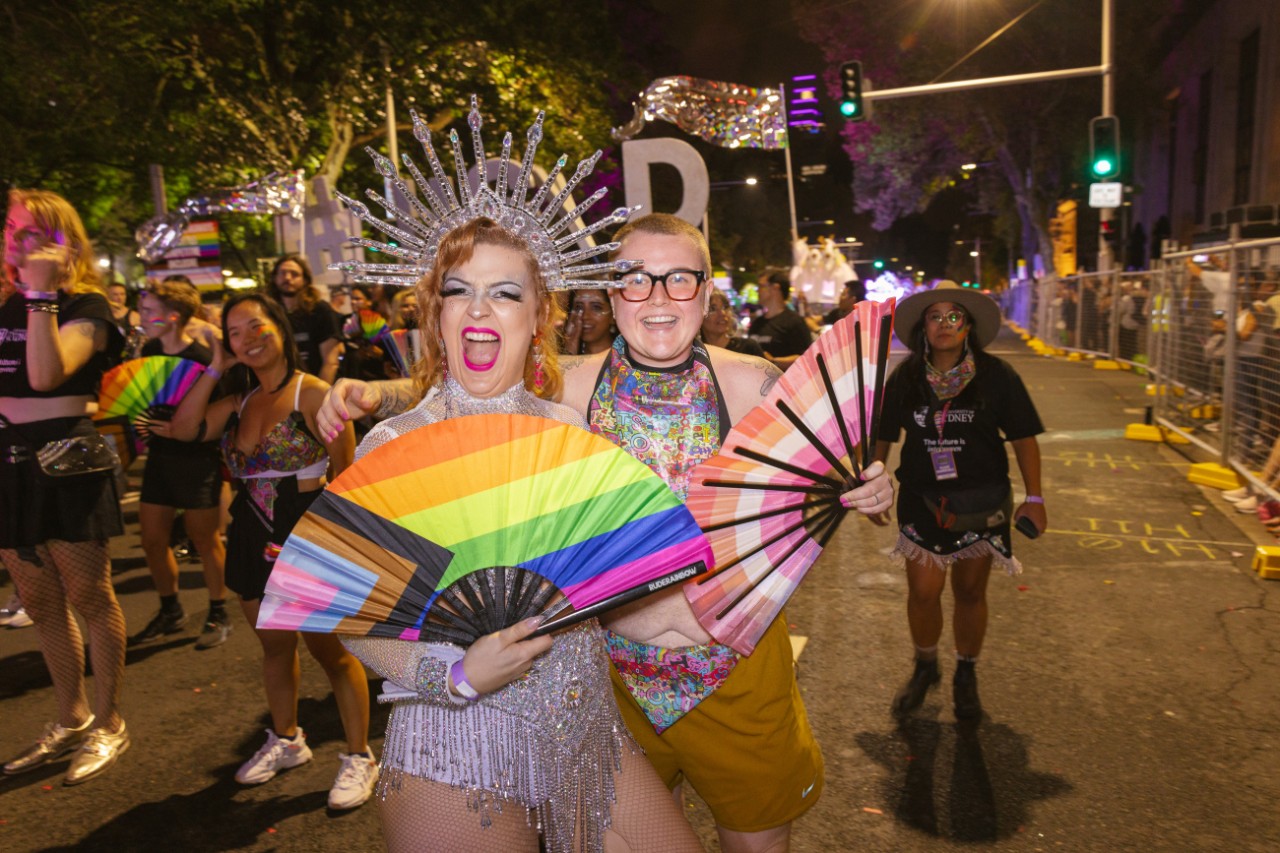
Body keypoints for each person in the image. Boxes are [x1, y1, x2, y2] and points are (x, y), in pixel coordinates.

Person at [316, 212, 895, 852]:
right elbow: (466, 388)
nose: (657, 297)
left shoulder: (713, 389)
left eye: (679, 280)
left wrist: (873, 486)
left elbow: (835, 458)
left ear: (706, 292)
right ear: (607, 295)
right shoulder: (571, 395)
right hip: (589, 685)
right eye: (634, 279)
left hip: (671, 685)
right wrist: (367, 395)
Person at [325, 217, 702, 853]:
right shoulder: (395, 445)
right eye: (458, 289)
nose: (479, 308)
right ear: (437, 314)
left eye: (504, 292)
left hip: (584, 726)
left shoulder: (570, 429)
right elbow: (352, 617)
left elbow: (601, 585)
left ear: (539, 316)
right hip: (456, 736)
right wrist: (455, 675)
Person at [164, 292, 377, 810]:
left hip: (305, 532)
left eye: (256, 327)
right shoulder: (236, 402)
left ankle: (358, 756)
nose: (248, 339)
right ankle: (287, 740)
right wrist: (215, 367)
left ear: (279, 328)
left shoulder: (314, 393)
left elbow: (346, 478)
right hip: (248, 535)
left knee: (331, 651)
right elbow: (182, 428)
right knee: (274, 648)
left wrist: (328, 543)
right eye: (235, 333)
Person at [1, 189, 129, 784]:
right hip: (9, 467)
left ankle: (109, 722)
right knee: (40, 602)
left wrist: (41, 293)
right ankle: (71, 716)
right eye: (11, 228)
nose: (14, 240)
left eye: (31, 233)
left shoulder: (87, 304)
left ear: (64, 243)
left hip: (66, 465)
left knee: (90, 598)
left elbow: (46, 374)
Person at [874, 280, 1047, 722]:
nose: (945, 324)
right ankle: (925, 666)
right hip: (922, 497)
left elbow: (1025, 438)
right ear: (923, 328)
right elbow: (884, 435)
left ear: (968, 326)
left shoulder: (997, 376)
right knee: (924, 590)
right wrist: (875, 485)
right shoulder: (906, 377)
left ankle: (966, 674)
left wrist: (1036, 497)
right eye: (936, 317)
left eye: (954, 317)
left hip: (981, 496)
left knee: (970, 591)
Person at [129, 275, 230, 649]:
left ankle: (218, 611)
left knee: (205, 540)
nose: (141, 314)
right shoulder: (147, 352)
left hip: (195, 458)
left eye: (149, 310)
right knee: (153, 540)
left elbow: (215, 414)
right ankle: (170, 610)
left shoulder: (201, 360)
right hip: (158, 458)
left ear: (172, 317)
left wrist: (188, 429)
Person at [266, 254, 344, 384]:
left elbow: (330, 362)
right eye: (282, 273)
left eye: (294, 274)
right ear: (274, 278)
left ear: (305, 280)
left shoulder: (320, 310)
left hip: (315, 384)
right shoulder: (267, 312)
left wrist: (319, 396)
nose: (287, 278)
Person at [748, 270, 813, 368]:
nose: (757, 290)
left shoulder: (794, 321)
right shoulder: (757, 323)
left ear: (775, 288)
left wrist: (773, 362)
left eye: (761, 286)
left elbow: (807, 358)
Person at [701, 287, 764, 356]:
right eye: (712, 309)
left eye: (725, 307)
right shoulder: (695, 354)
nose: (722, 313)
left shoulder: (748, 348)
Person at [561, 287, 617, 355]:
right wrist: (569, 350)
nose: (585, 316)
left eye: (596, 307)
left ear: (613, 315)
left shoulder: (626, 360)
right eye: (579, 307)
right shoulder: (557, 359)